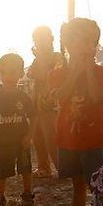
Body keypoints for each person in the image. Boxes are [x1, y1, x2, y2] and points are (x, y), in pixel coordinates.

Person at [50, 18, 103, 206]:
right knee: (77, 185)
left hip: (93, 139)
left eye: (90, 42)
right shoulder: (59, 73)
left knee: (97, 186)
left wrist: (87, 71)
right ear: (68, 45)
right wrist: (75, 72)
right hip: (69, 139)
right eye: (80, 41)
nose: (86, 47)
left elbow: (98, 96)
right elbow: (60, 96)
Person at [0, 53, 34, 206]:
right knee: (2, 168)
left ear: (20, 74)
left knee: (26, 167)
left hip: (22, 140)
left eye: (13, 72)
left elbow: (34, 117)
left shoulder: (23, 96)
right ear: (0, 73)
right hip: (4, 142)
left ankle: (27, 194)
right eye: (5, 72)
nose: (9, 76)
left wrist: (29, 136)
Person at [27, 25, 62, 178]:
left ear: (50, 39)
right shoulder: (37, 59)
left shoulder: (57, 57)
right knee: (37, 136)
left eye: (41, 39)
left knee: (51, 138)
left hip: (50, 102)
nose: (39, 43)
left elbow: (50, 75)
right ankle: (43, 167)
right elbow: (31, 73)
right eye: (36, 40)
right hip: (36, 102)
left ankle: (62, 168)